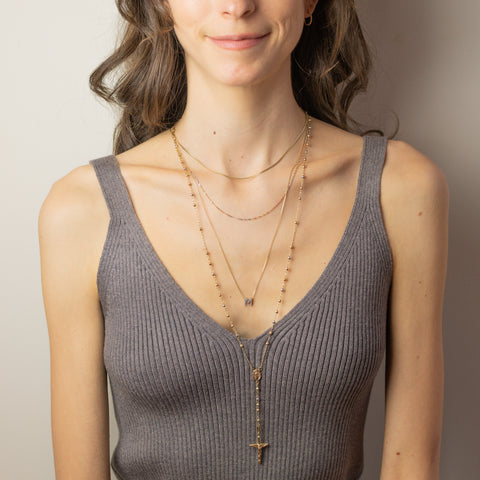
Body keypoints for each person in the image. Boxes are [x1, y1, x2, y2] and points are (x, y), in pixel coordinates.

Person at [38, 1, 449, 479]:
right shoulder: (82, 210)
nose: (236, 6)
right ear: (162, 6)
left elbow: (412, 467)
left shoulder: (400, 189)